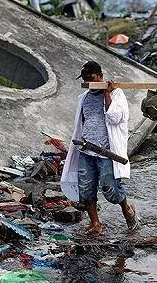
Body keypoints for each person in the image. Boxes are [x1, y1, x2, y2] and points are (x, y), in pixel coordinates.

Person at [60, 61, 139, 236]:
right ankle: (95, 223)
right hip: (86, 151)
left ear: (100, 76)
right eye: (86, 79)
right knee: (86, 190)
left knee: (110, 190)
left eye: (92, 78)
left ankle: (126, 208)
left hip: (106, 153)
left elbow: (116, 118)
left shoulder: (117, 94)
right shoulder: (84, 97)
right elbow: (82, 123)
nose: (89, 82)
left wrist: (107, 94)